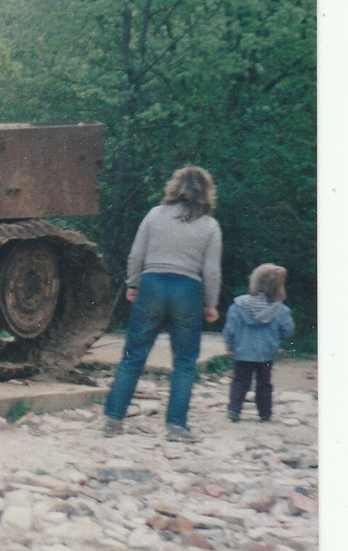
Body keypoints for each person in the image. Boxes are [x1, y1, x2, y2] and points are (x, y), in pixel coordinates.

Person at [103, 165, 223, 443]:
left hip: (152, 284)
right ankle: (176, 426)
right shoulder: (209, 225)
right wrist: (211, 303)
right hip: (187, 290)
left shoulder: (154, 215)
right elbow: (212, 270)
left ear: (174, 186)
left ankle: (113, 419)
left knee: (133, 355)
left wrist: (133, 283)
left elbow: (136, 254)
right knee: (184, 361)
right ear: (206, 191)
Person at [223, 263, 295, 422]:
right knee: (264, 384)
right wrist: (277, 338)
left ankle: (234, 410)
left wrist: (229, 346)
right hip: (266, 353)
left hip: (242, 351)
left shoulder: (239, 305)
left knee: (240, 381)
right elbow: (287, 330)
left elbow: (230, 329)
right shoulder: (280, 309)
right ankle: (265, 413)